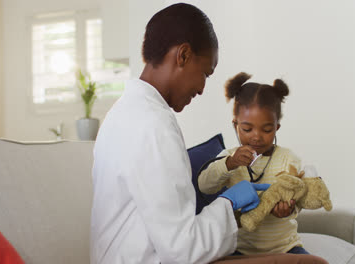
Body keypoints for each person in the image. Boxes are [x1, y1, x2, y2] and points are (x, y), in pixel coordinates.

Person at [90, 4, 270, 264]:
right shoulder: (154, 124)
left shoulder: (121, 114)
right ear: (183, 55)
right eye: (205, 73)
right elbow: (182, 250)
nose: (202, 88)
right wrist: (229, 204)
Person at [198, 72, 317, 256]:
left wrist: (290, 208)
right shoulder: (229, 157)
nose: (256, 136)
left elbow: (302, 194)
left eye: (267, 129)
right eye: (247, 129)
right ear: (235, 124)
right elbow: (204, 185)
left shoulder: (288, 158)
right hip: (240, 250)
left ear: (276, 127)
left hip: (285, 249)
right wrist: (230, 163)